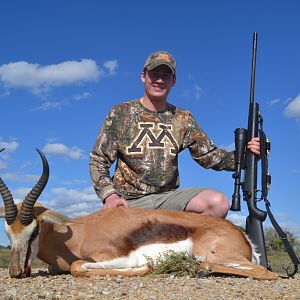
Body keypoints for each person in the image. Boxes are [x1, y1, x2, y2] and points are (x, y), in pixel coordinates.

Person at [90, 51, 260, 218]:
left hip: (168, 199)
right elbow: (99, 159)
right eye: (154, 74)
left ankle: (182, 245)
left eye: (166, 75)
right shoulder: (121, 113)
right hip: (128, 201)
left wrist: (246, 155)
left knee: (218, 203)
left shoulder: (183, 118)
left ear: (173, 81)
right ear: (143, 76)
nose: (159, 80)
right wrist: (110, 196)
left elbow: (210, 156)